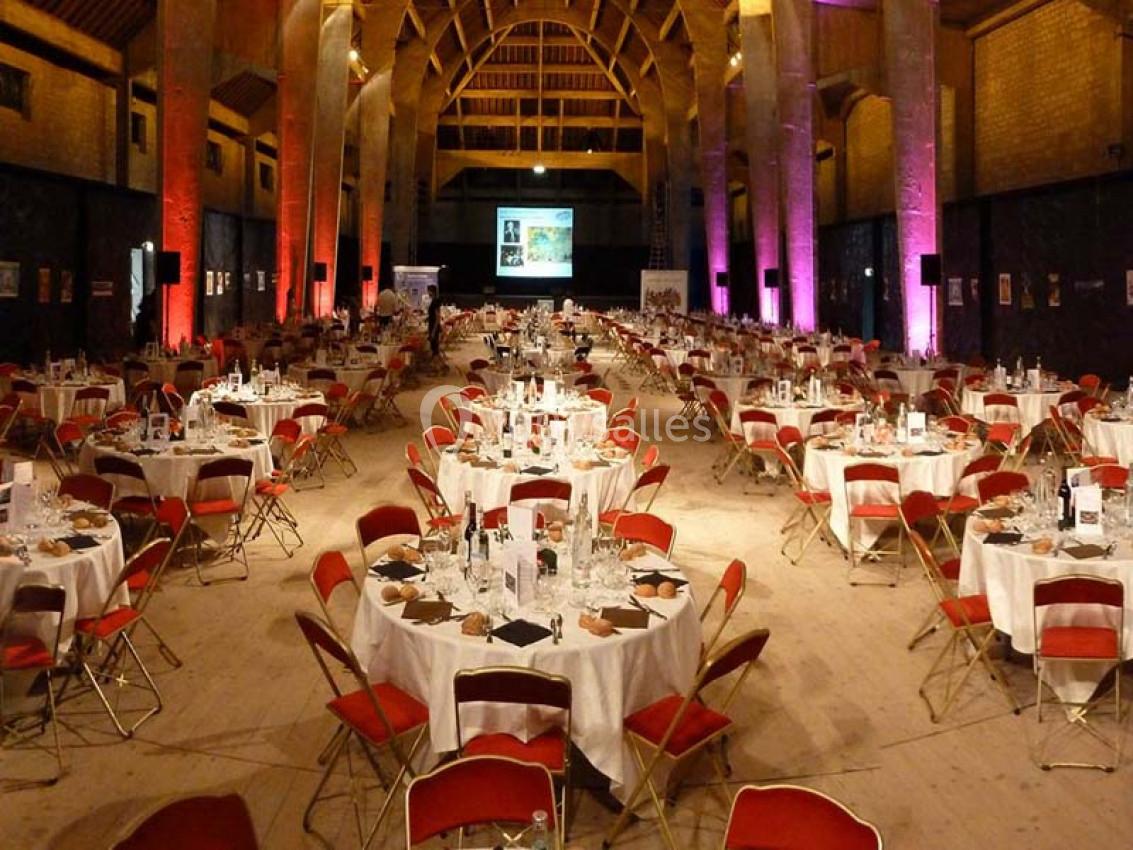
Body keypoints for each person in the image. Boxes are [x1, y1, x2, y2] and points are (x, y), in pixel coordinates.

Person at [426, 284, 441, 367]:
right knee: (434, 348)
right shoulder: (434, 300)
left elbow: (437, 317)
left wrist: (433, 331)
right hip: (432, 326)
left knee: (435, 349)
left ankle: (438, 367)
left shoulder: (435, 301)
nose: (427, 293)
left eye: (428, 291)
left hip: (434, 328)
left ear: (431, 291)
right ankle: (438, 367)